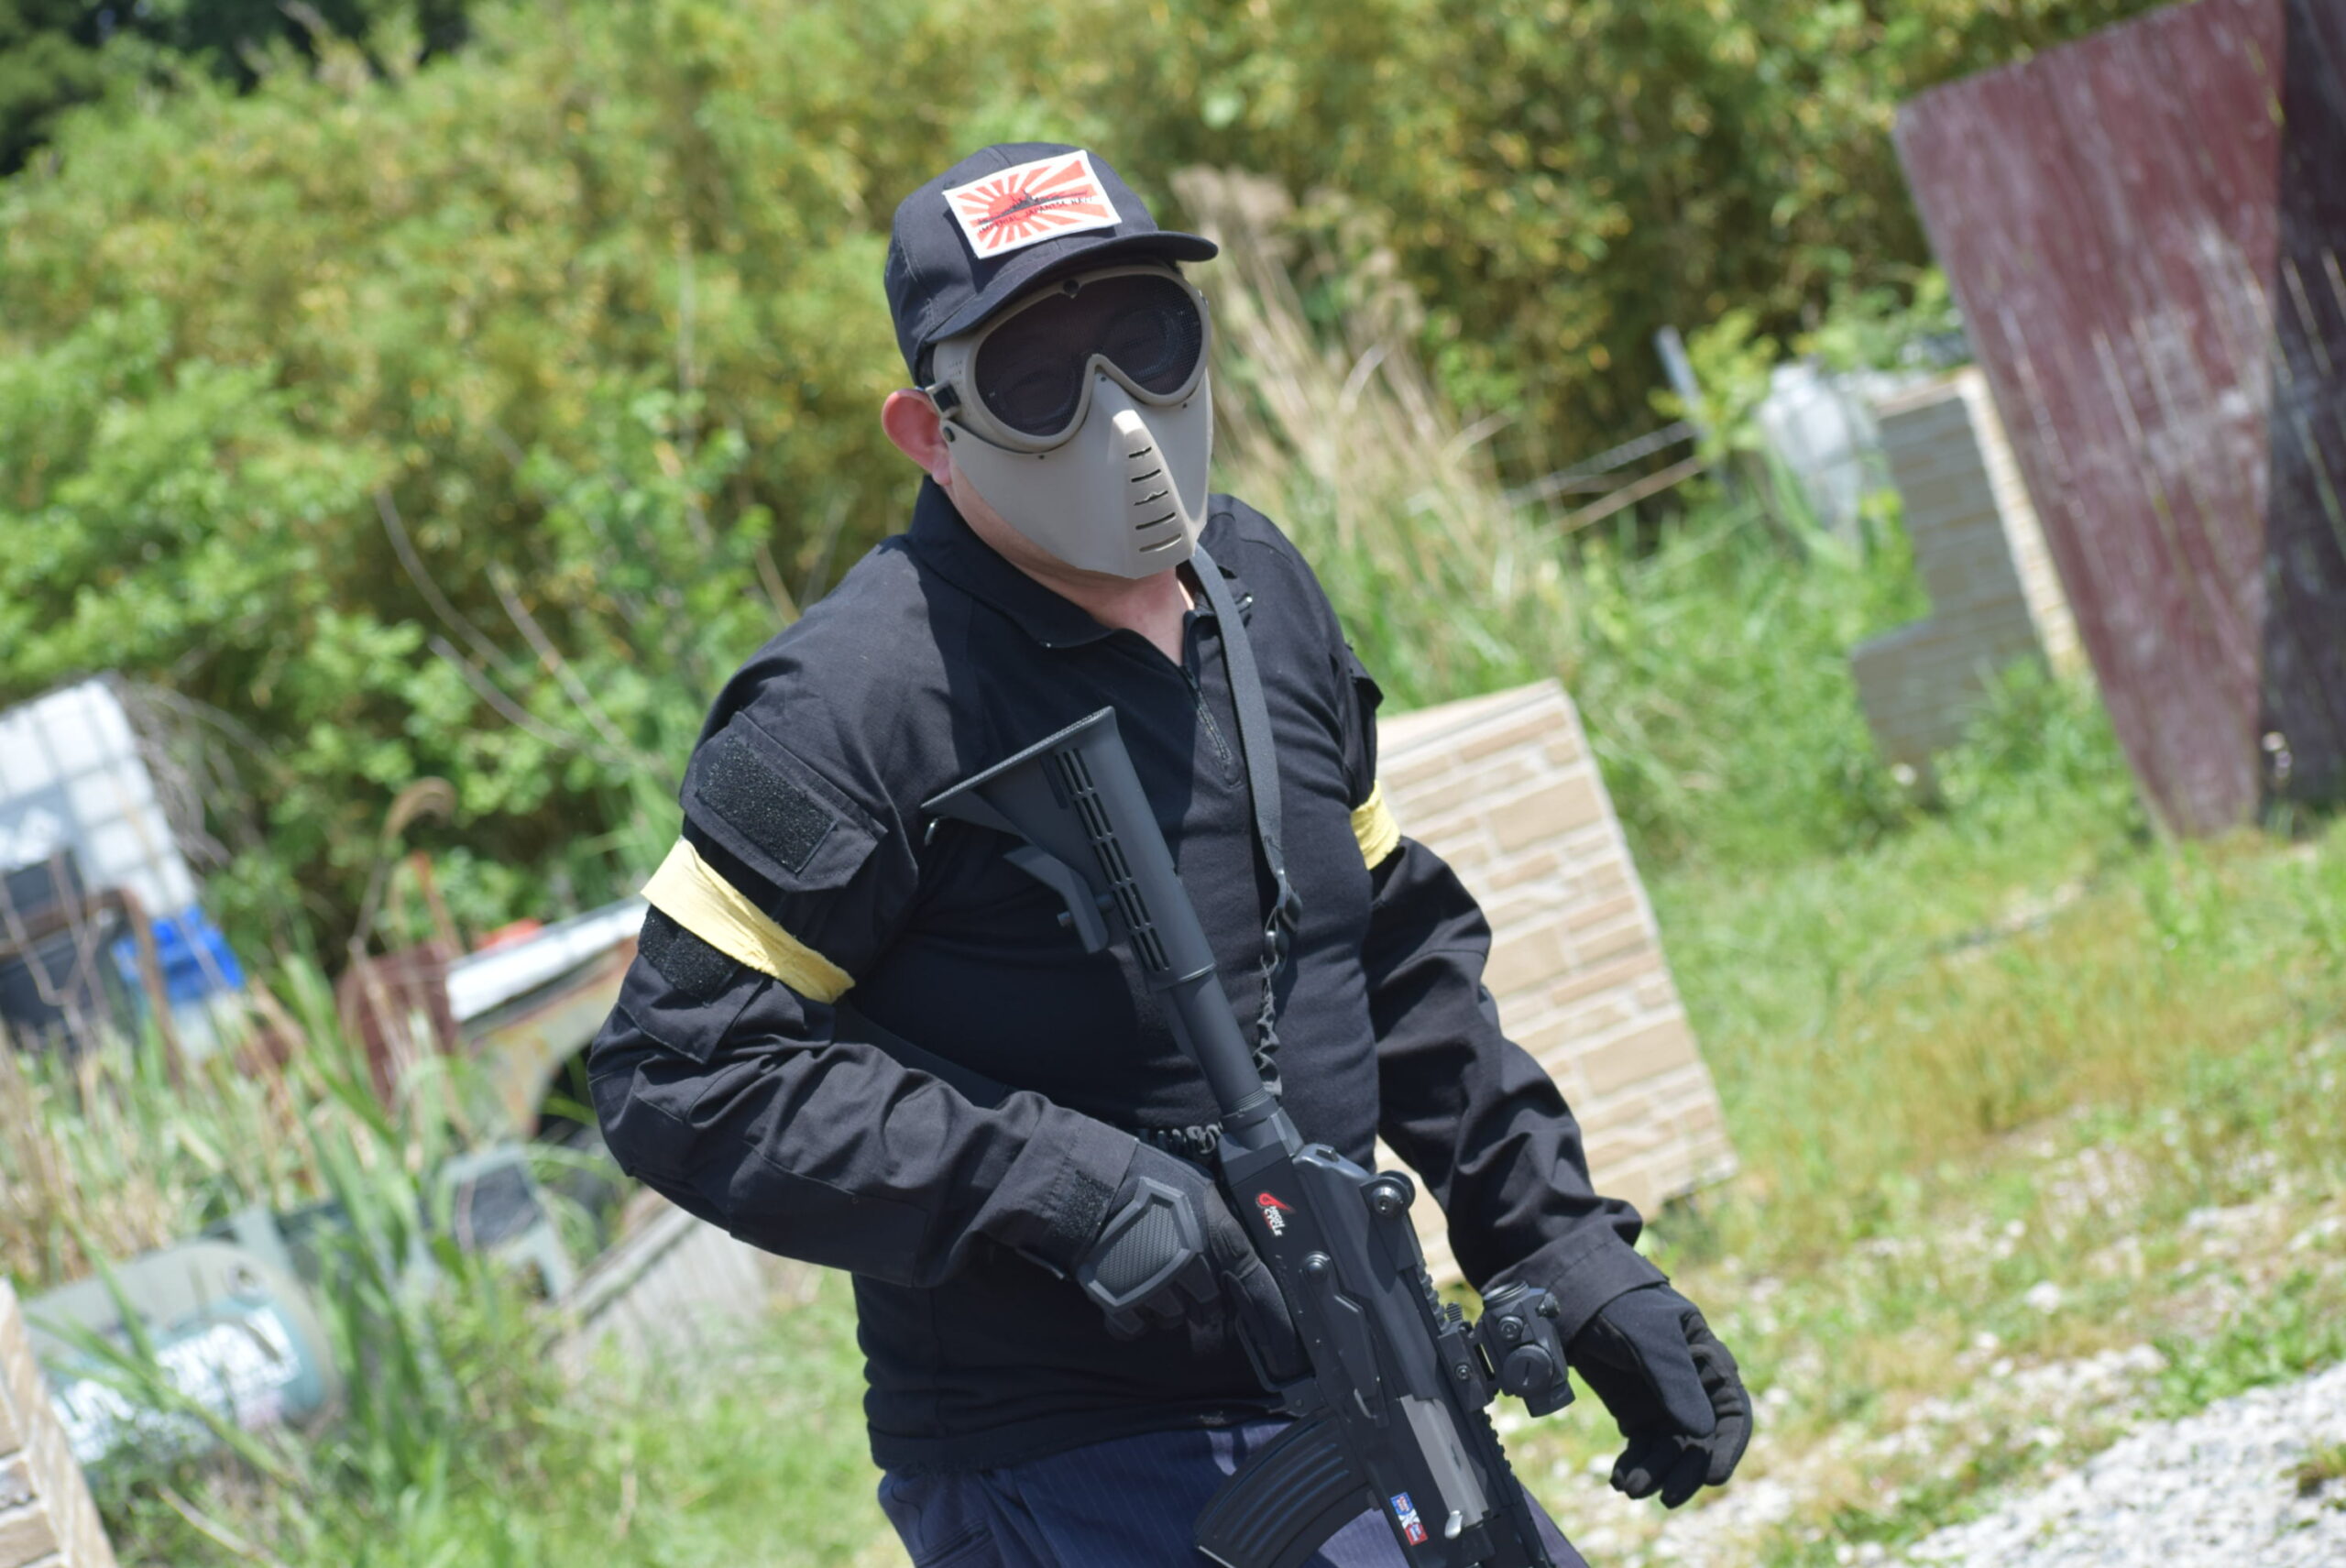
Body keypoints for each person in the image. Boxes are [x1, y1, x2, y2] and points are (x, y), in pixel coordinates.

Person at [586, 142, 1750, 1568]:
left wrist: (1562, 1248)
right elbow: (679, 1075)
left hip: (1369, 1377)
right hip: (1076, 1450)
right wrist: (1066, 1194)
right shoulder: (851, 702)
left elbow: (1389, 948)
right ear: (927, 431)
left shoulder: (1258, 585)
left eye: (1144, 339)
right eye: (1036, 374)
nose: (1117, 414)